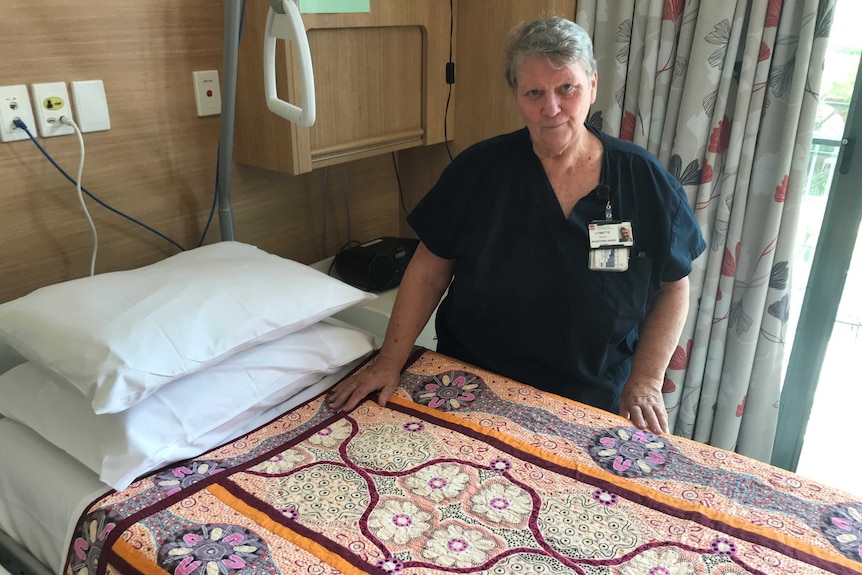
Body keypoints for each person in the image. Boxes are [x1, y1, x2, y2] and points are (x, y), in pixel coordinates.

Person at [329, 16, 705, 435]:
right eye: (534, 92)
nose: (551, 109)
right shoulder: (479, 170)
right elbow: (428, 271)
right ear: (516, 96)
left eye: (567, 88)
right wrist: (388, 362)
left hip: (588, 396)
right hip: (471, 384)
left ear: (593, 86)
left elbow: (674, 286)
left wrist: (646, 381)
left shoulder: (643, 179)